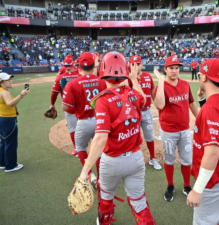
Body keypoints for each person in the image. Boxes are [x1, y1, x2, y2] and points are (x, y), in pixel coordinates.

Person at [73, 51, 156, 224]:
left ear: (102, 71)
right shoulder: (134, 94)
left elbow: (100, 139)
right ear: (125, 71)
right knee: (140, 204)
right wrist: (134, 79)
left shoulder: (103, 100)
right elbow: (144, 101)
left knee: (106, 200)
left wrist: (84, 172)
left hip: (111, 162)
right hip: (135, 159)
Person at [186, 58, 219, 225]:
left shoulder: (212, 108)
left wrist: (198, 188)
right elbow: (218, 120)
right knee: (212, 219)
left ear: (204, 78)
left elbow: (212, 152)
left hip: (215, 176)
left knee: (203, 222)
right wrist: (203, 101)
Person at [153, 56, 199, 201]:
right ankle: (170, 185)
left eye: (176, 68)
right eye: (171, 68)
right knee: (169, 158)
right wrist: (160, 82)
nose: (174, 71)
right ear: (165, 69)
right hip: (168, 130)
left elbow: (191, 104)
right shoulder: (159, 88)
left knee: (186, 159)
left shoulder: (185, 84)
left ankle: (186, 186)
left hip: (184, 129)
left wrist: (200, 119)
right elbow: (159, 105)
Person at [62, 52, 106, 183]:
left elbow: (65, 107)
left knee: (81, 148)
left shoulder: (72, 83)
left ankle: (90, 174)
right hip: (100, 120)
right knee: (99, 148)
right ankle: (101, 178)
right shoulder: (102, 81)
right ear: (94, 66)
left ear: (79, 66)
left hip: (84, 121)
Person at [128, 55, 161, 170]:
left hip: (146, 111)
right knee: (134, 137)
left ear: (142, 64)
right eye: (133, 64)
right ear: (130, 65)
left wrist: (158, 106)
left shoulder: (148, 77)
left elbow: (153, 93)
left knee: (149, 136)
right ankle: (136, 160)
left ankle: (153, 159)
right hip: (134, 112)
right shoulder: (128, 79)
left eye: (138, 64)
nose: (136, 66)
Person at [50, 57, 80, 156]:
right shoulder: (80, 75)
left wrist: (52, 104)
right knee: (83, 124)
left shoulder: (60, 77)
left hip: (69, 106)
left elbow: (54, 93)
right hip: (81, 105)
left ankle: (77, 149)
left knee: (72, 128)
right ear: (73, 64)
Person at [0, 73, 30, 172]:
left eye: (10, 79)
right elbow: (10, 104)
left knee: (4, 142)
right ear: (1, 82)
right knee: (11, 143)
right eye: (7, 80)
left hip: (2, 119)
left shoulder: (3, 90)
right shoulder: (4, 92)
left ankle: (3, 163)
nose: (10, 81)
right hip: (8, 120)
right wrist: (21, 95)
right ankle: (11, 166)